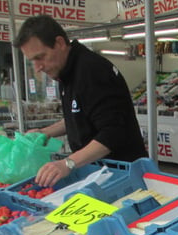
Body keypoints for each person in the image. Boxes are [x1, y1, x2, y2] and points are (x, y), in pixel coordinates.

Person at [13, 15, 147, 187]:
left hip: (123, 175)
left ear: (60, 43)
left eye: (40, 57)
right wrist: (44, 133)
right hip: (100, 172)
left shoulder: (92, 72)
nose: (37, 67)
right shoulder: (66, 73)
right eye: (32, 61)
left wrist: (68, 163)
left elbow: (112, 133)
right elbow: (77, 116)